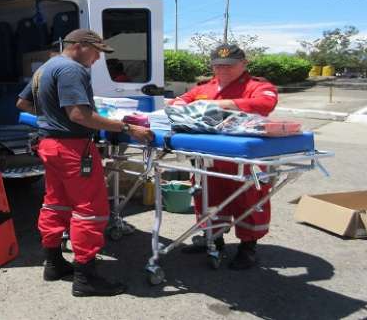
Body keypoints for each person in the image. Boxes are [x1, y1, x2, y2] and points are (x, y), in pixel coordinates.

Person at [16, 28, 153, 297]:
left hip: (49, 145)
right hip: (72, 148)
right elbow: (80, 115)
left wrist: (52, 117)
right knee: (90, 209)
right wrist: (126, 127)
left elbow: (22, 103)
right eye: (97, 52)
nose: (98, 59)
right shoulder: (72, 70)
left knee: (56, 203)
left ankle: (54, 263)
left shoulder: (46, 67)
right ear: (79, 46)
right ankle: (85, 278)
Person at [168, 43, 278, 270]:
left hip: (243, 158)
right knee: (207, 197)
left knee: (247, 200)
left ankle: (248, 248)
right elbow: (179, 101)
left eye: (229, 65)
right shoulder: (203, 88)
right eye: (217, 66)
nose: (223, 70)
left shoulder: (256, 86)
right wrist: (180, 105)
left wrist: (220, 104)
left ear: (244, 64)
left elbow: (265, 103)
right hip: (207, 156)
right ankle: (213, 241)